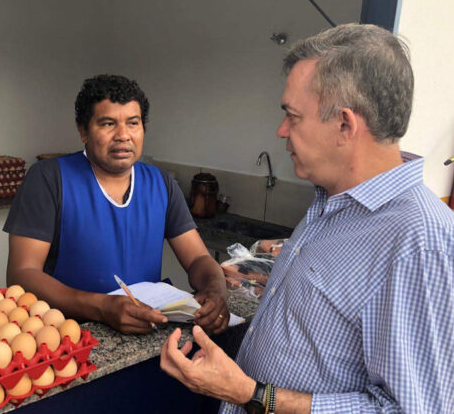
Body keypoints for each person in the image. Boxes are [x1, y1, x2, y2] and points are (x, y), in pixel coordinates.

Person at [160, 23, 454, 413]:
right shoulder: (330, 202)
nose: (282, 130)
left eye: (293, 116)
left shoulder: (418, 240)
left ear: (345, 125)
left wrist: (253, 394)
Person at [4, 74, 229, 335]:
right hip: (67, 336)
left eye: (133, 123)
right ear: (83, 131)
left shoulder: (160, 183)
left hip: (146, 332)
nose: (123, 135)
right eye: (108, 124)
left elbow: (199, 258)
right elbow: (22, 273)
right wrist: (102, 307)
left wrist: (215, 289)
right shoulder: (49, 178)